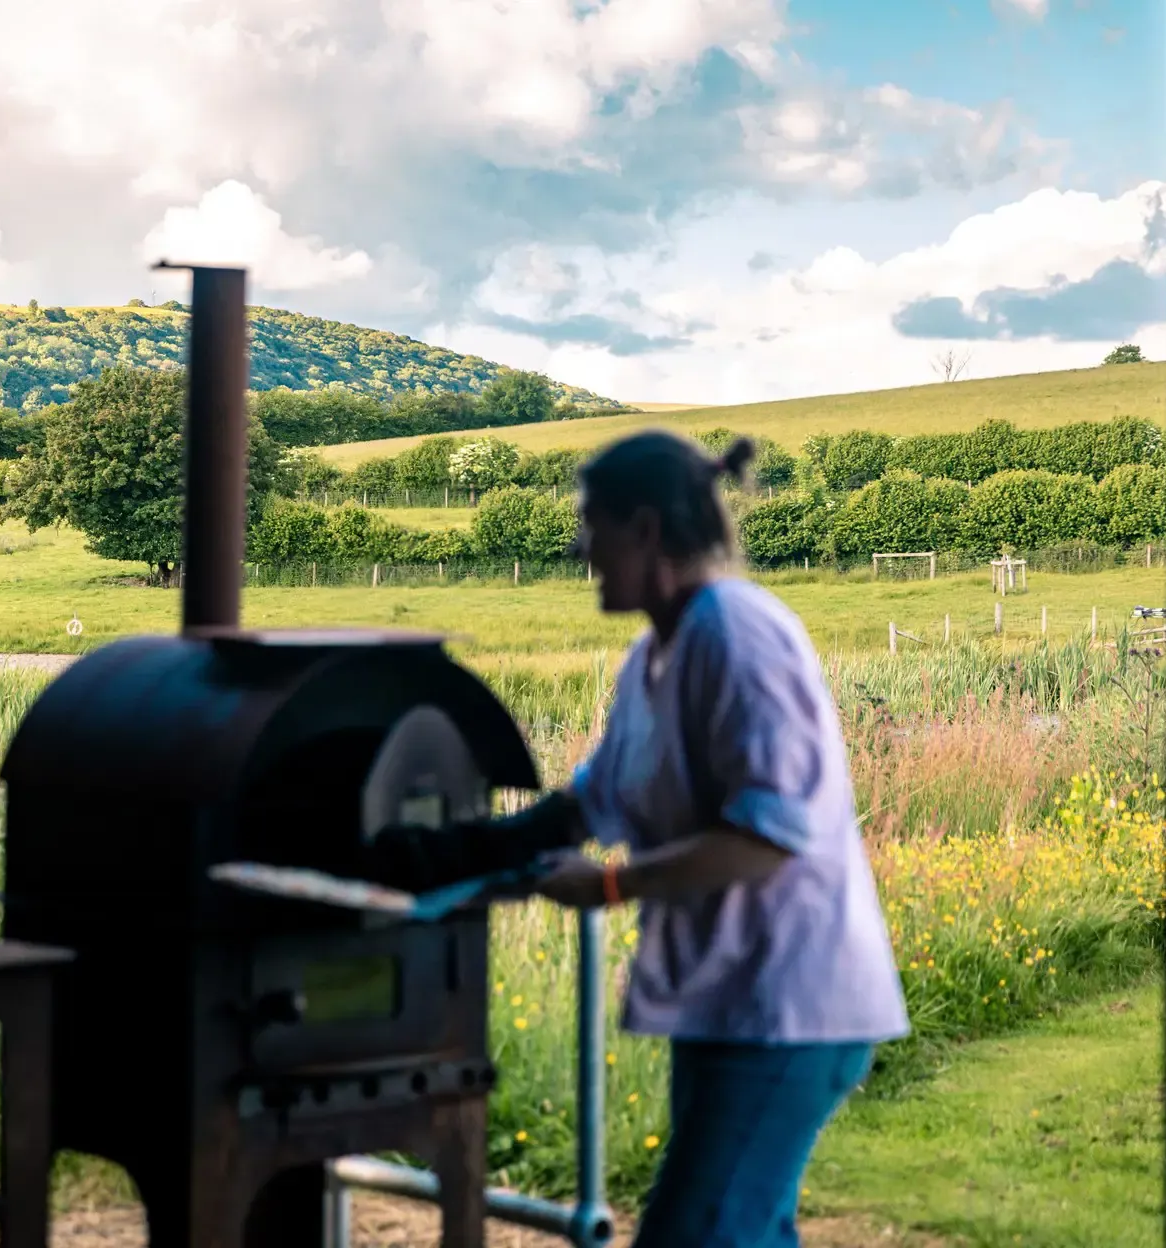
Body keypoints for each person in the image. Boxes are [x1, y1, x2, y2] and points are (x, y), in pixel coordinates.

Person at [364, 430, 909, 1248]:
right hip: (729, 1002)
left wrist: (610, 887)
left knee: (696, 1233)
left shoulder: (738, 632)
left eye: (592, 525)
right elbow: (591, 801)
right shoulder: (653, 654)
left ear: (646, 530)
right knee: (746, 1230)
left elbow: (771, 836)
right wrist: (453, 852)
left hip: (791, 1005)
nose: (580, 547)